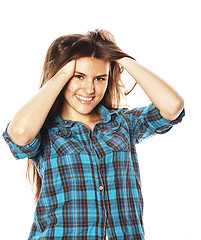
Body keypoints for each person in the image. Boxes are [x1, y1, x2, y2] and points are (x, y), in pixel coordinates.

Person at [2, 29, 185, 239]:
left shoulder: (123, 124)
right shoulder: (46, 131)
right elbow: (20, 133)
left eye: (99, 78)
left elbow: (173, 106)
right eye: (78, 76)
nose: (89, 89)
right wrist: (64, 71)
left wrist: (120, 57)